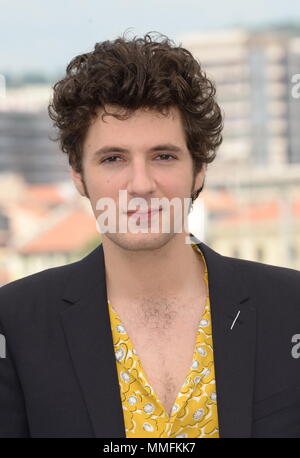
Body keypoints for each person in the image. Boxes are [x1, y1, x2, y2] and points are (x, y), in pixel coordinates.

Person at [0, 32, 300, 439]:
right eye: (113, 158)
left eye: (163, 156)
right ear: (78, 174)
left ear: (199, 169)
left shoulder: (291, 307)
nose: (140, 184)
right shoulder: (14, 324)